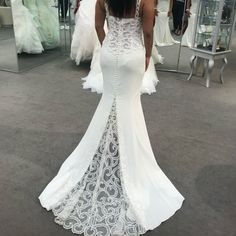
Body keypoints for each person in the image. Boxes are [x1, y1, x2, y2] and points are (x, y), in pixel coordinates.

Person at [39, 0, 184, 235]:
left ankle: (111, 149)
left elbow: (98, 27)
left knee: (109, 101)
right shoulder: (145, 0)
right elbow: (147, 31)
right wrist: (147, 55)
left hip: (109, 55)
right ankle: (130, 158)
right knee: (130, 105)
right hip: (132, 56)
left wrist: (109, 46)